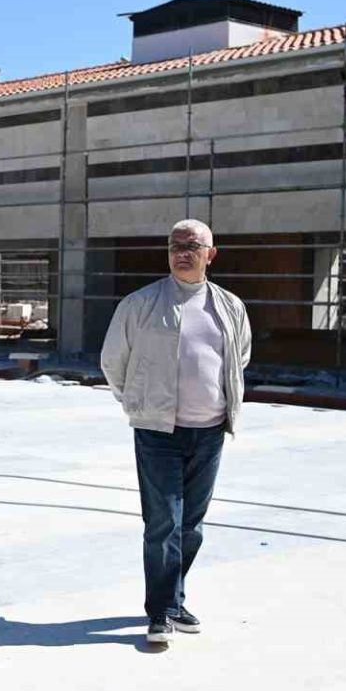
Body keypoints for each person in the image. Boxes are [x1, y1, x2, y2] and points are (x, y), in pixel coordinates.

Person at [100, 219, 252, 647]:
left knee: (191, 525)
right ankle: (162, 610)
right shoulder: (140, 304)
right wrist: (137, 401)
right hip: (157, 431)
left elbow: (239, 357)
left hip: (210, 431)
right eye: (175, 245)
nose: (182, 252)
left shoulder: (230, 306)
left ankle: (173, 597)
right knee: (163, 520)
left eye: (192, 246)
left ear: (211, 254)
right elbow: (113, 360)